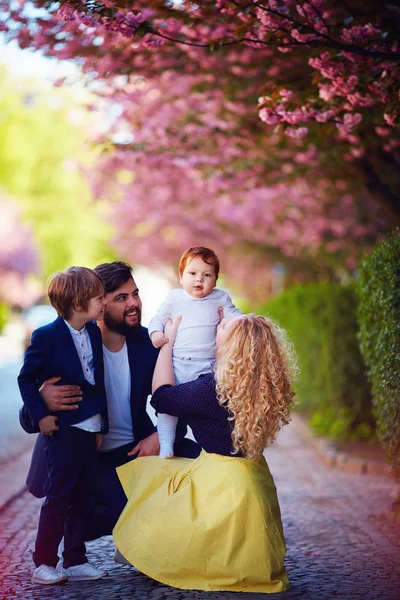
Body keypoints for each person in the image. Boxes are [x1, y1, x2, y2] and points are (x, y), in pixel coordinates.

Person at [113, 313, 295, 593]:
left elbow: (161, 398)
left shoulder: (212, 391)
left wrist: (168, 343)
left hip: (219, 485)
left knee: (156, 475)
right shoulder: (265, 386)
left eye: (222, 327)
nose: (217, 326)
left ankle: (145, 547)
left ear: (231, 345)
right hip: (255, 482)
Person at [19, 261, 200, 543]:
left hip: (133, 450)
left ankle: (147, 534)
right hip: (88, 456)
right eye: (121, 298)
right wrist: (43, 401)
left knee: (195, 458)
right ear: (99, 303)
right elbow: (28, 418)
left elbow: (179, 397)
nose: (134, 304)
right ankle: (118, 532)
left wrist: (157, 436)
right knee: (118, 508)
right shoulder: (72, 344)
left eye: (135, 294)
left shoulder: (147, 342)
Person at [18, 267, 109, 586]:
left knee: (84, 496)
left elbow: (96, 382)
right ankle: (44, 561)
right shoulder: (47, 336)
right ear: (78, 304)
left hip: (89, 428)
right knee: (58, 496)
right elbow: (26, 379)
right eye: (99, 298)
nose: (104, 303)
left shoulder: (94, 332)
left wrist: (100, 424)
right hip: (63, 430)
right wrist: (41, 414)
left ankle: (75, 559)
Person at [149, 246, 242, 458]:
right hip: (179, 363)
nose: (199, 279)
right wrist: (156, 334)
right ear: (181, 277)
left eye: (207, 275)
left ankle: (210, 444)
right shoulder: (175, 298)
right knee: (168, 408)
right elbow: (158, 319)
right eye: (192, 273)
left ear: (216, 280)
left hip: (207, 367)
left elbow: (236, 316)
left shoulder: (220, 298)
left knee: (208, 407)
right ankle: (166, 444)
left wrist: (242, 321)